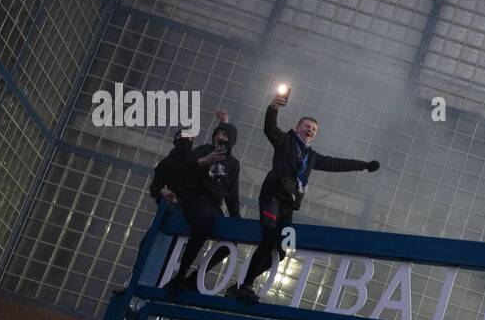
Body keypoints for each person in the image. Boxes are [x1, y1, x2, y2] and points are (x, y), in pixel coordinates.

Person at [230, 96, 380, 303]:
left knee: (281, 252)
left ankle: (240, 285)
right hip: (272, 196)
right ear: (297, 127)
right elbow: (269, 129)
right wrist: (273, 108)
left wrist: (364, 165)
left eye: (314, 129)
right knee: (269, 240)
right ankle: (245, 286)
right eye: (307, 126)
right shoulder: (285, 141)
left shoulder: (312, 156)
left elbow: (337, 164)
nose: (311, 130)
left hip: (288, 205)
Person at [160, 109, 242, 293]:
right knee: (202, 227)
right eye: (218, 134)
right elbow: (183, 169)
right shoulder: (203, 150)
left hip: (213, 205)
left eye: (224, 136)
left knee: (231, 242)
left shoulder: (233, 164)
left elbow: (232, 194)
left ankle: (194, 279)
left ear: (231, 141)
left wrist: (236, 221)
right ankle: (180, 275)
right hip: (194, 198)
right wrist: (205, 160)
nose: (220, 138)